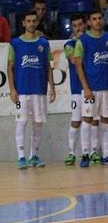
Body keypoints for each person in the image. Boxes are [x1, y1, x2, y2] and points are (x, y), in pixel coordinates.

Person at [7, 11, 55, 169]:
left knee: (37, 124)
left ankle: (33, 155)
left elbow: (48, 67)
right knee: (21, 122)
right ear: (23, 23)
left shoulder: (44, 44)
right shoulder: (15, 43)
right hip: (22, 92)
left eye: (34, 21)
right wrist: (12, 89)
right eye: (28, 21)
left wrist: (52, 87)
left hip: (39, 91)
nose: (32, 23)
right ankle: (21, 157)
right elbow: (10, 67)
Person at [74, 9, 108, 167]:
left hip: (107, 86)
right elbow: (78, 65)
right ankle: (85, 154)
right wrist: (85, 88)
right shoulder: (83, 41)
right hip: (91, 87)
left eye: (100, 18)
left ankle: (106, 154)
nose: (97, 21)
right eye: (94, 19)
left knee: (106, 120)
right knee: (87, 119)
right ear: (89, 22)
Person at [63, 14, 91, 166]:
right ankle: (71, 153)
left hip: (92, 87)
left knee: (93, 120)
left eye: (80, 24)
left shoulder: (92, 41)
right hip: (76, 88)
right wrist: (80, 42)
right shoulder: (69, 45)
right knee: (76, 120)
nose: (78, 28)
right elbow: (74, 60)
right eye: (75, 26)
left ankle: (92, 151)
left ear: (85, 25)